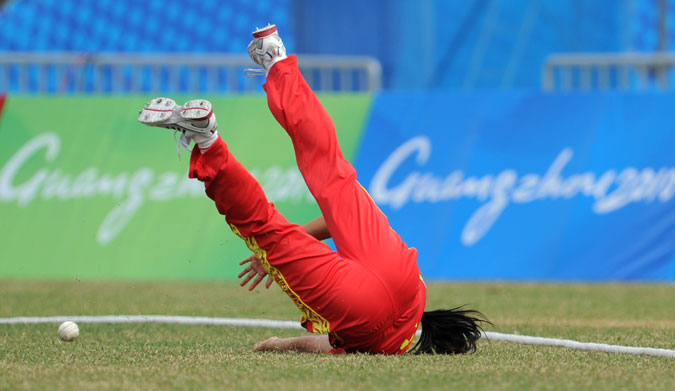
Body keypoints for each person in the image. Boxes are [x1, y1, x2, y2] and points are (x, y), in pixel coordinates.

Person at [138, 24, 488, 355]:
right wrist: (281, 343)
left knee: (332, 171)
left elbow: (336, 222)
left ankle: (275, 59)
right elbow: (324, 345)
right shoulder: (382, 343)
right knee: (268, 232)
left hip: (402, 271)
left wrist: (304, 238)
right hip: (365, 312)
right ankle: (206, 138)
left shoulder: (419, 295)